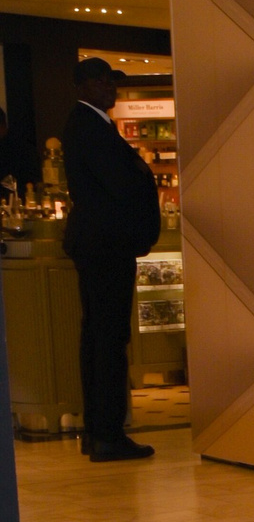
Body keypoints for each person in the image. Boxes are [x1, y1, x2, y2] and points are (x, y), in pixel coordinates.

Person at [62, 56, 161, 462]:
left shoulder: (89, 125)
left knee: (98, 337)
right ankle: (107, 433)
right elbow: (122, 183)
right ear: (83, 87)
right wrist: (141, 173)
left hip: (99, 244)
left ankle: (98, 430)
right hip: (107, 246)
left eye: (111, 81)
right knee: (108, 339)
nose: (109, 88)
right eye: (101, 81)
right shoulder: (89, 126)